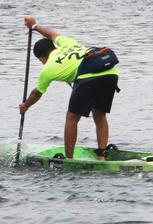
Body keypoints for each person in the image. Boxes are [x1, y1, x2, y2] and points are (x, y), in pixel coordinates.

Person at [18, 16, 120, 161]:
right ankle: (101, 156)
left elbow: (36, 93)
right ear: (54, 47)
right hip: (111, 73)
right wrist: (34, 26)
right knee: (99, 114)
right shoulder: (67, 43)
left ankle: (69, 159)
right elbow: (52, 34)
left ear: (41, 58)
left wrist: (25, 106)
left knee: (72, 118)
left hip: (88, 77)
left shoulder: (48, 69)